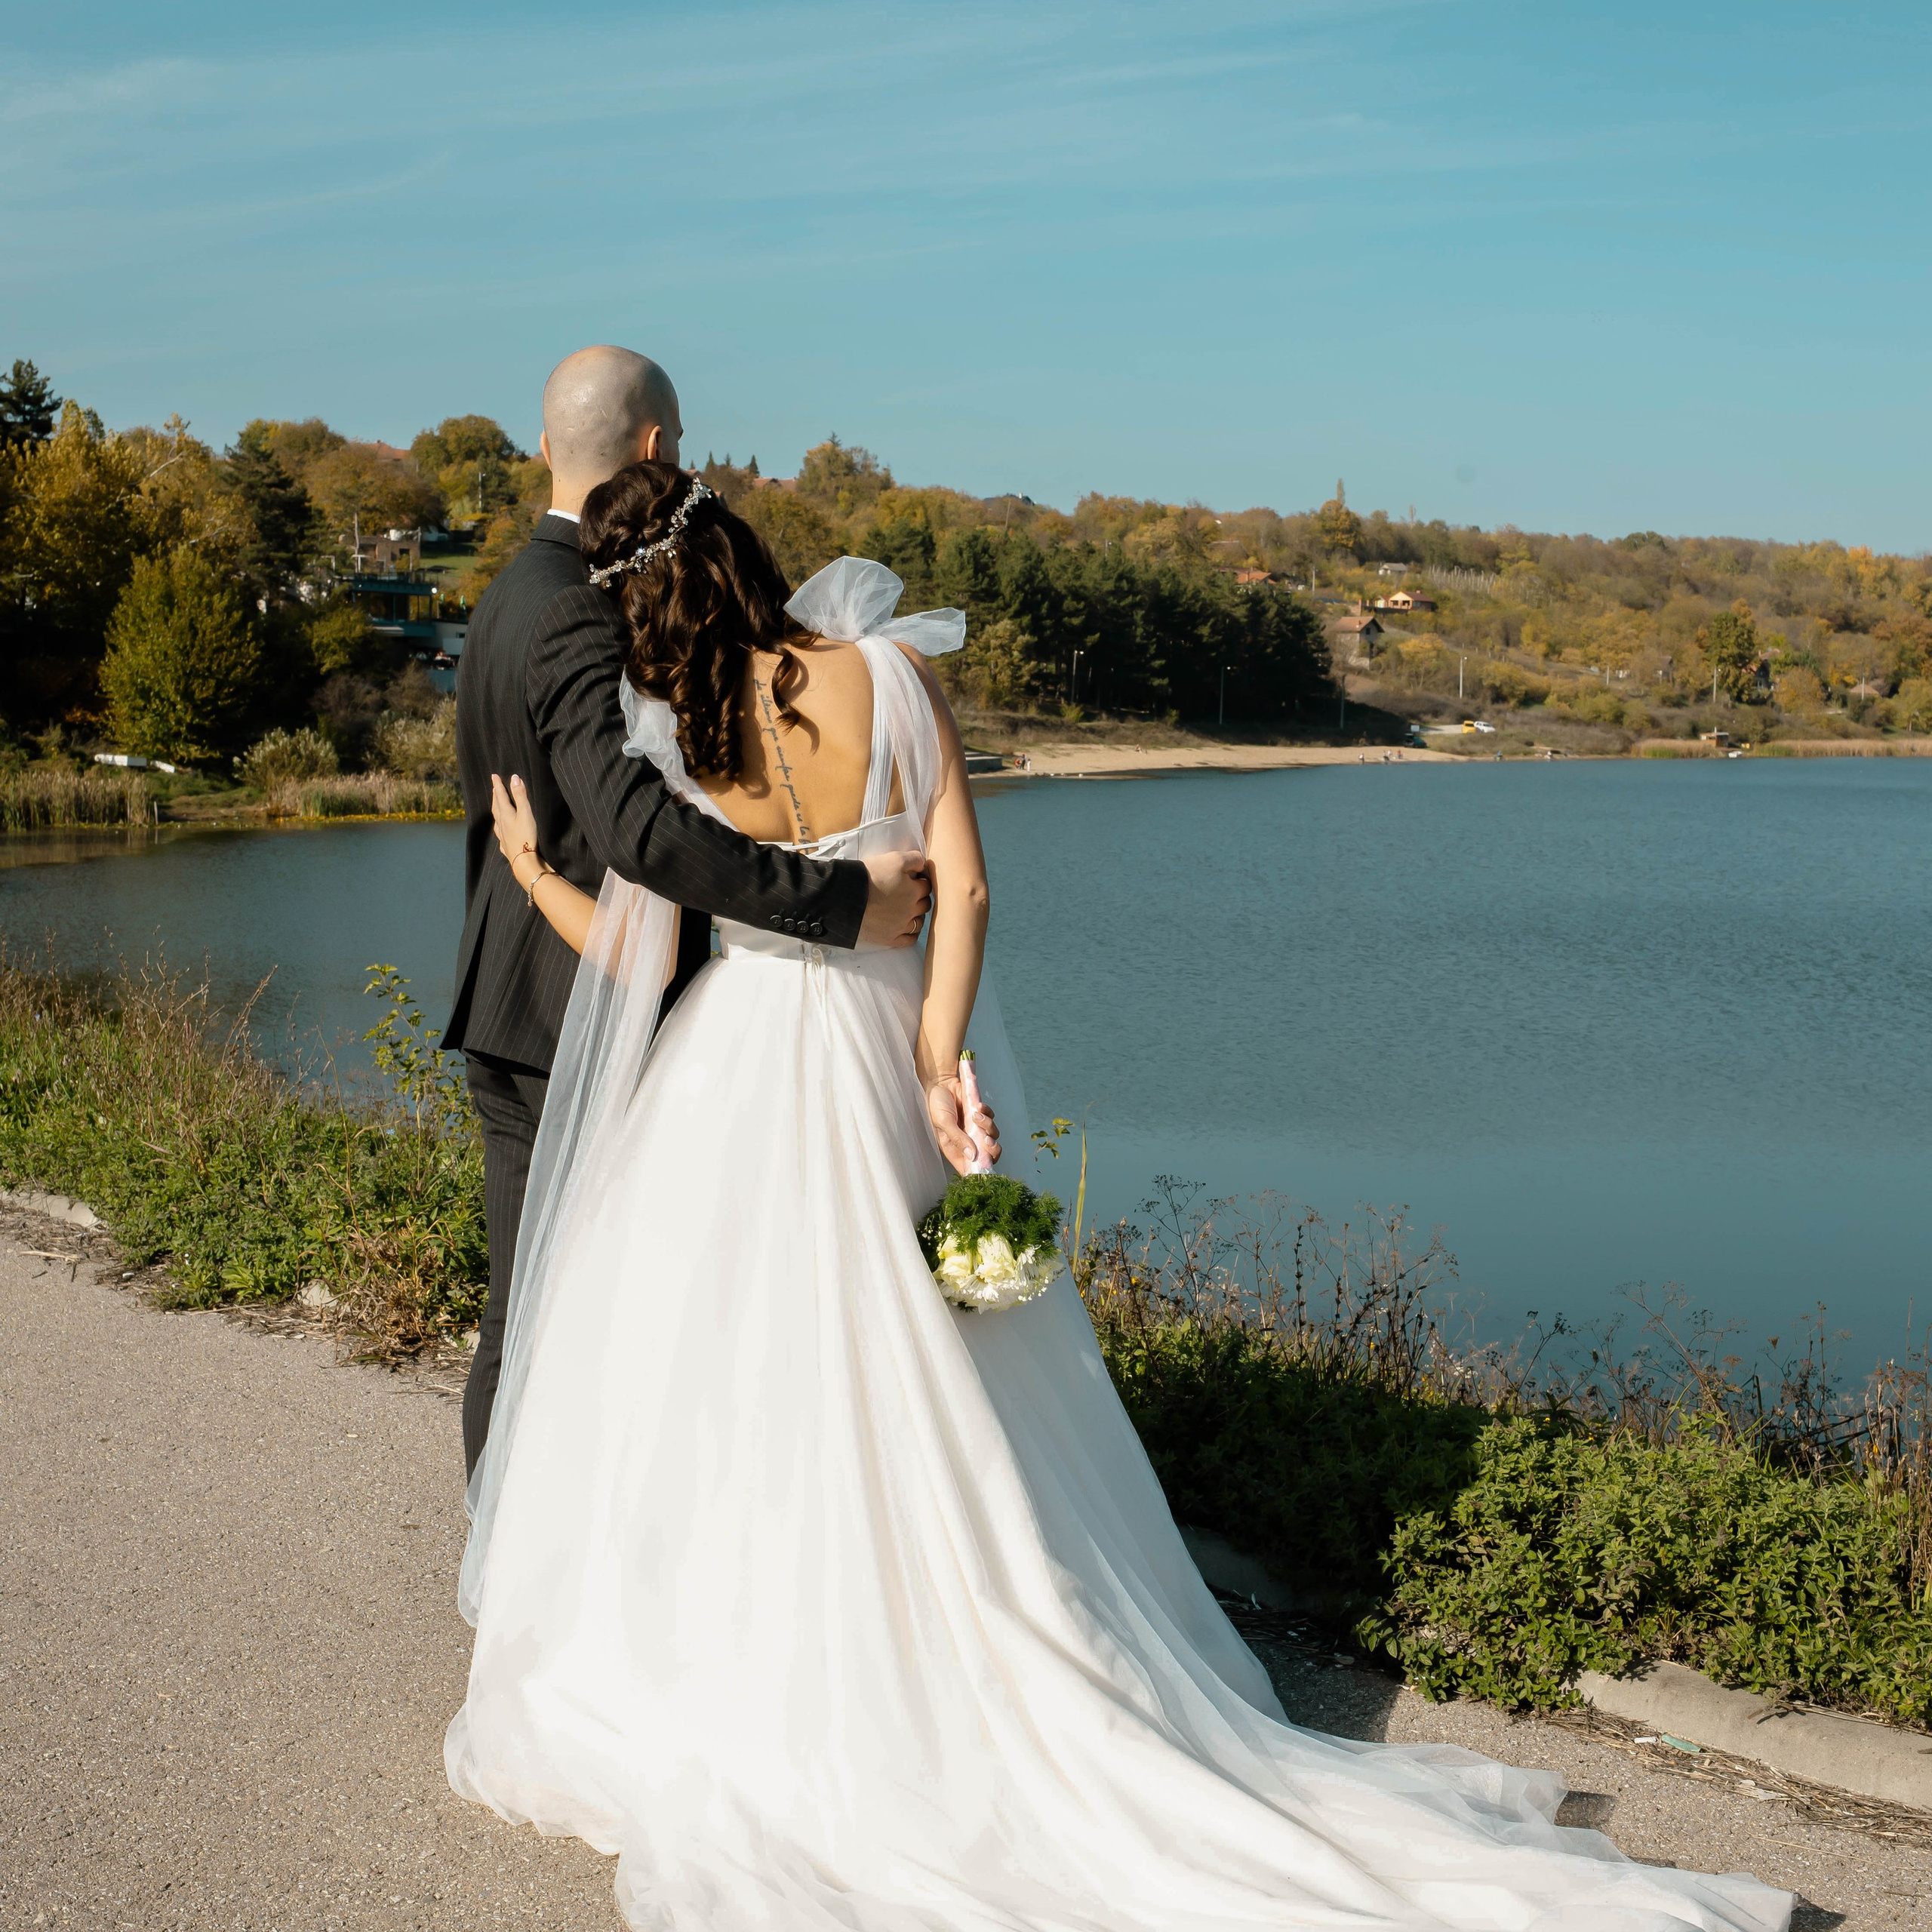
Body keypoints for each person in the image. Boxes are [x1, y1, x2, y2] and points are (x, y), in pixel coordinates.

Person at [447, 463, 1792, 1932]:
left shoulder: (681, 736)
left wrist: (529, 867)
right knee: (948, 1368)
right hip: (882, 1064)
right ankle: (988, 1639)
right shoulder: (891, 673)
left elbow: (652, 957)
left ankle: (765, 1664)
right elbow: (957, 891)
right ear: (758, 559)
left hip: (739, 1080)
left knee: (742, 1377)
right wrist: (936, 1054)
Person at [442, 346, 946, 1478]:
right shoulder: (579, 608)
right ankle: (522, 1578)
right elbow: (640, 834)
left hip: (515, 994)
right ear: (661, 448)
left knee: (544, 1316)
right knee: (564, 1325)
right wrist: (832, 900)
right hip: (582, 1004)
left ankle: (523, 1568)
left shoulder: (501, 598)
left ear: (542, 449)